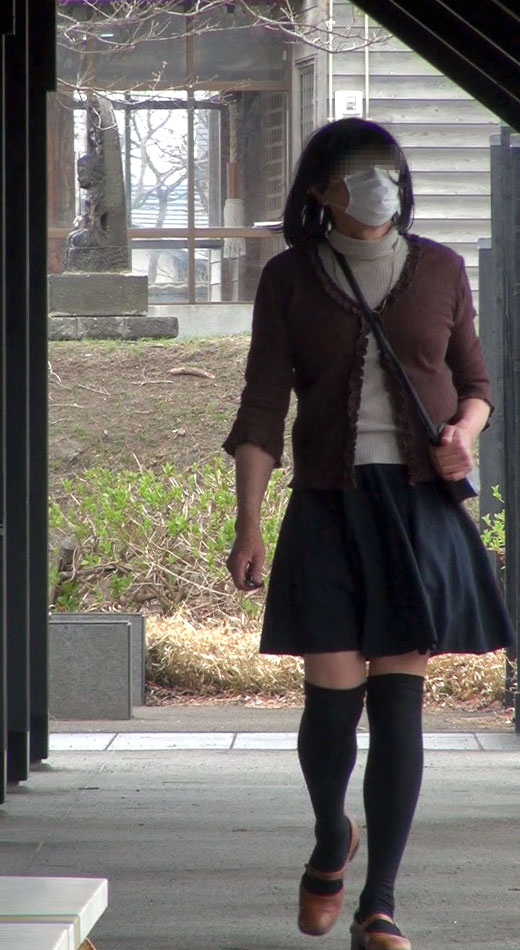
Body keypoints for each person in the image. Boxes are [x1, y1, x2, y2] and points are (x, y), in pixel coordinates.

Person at [222, 117, 514, 950]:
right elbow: (261, 406)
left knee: (398, 703)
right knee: (330, 697)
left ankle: (379, 903)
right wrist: (249, 521)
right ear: (321, 189)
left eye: (388, 168)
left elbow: (476, 383)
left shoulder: (440, 268)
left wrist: (465, 431)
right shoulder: (290, 278)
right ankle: (330, 838)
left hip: (417, 506)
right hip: (327, 501)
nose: (379, 182)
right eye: (359, 171)